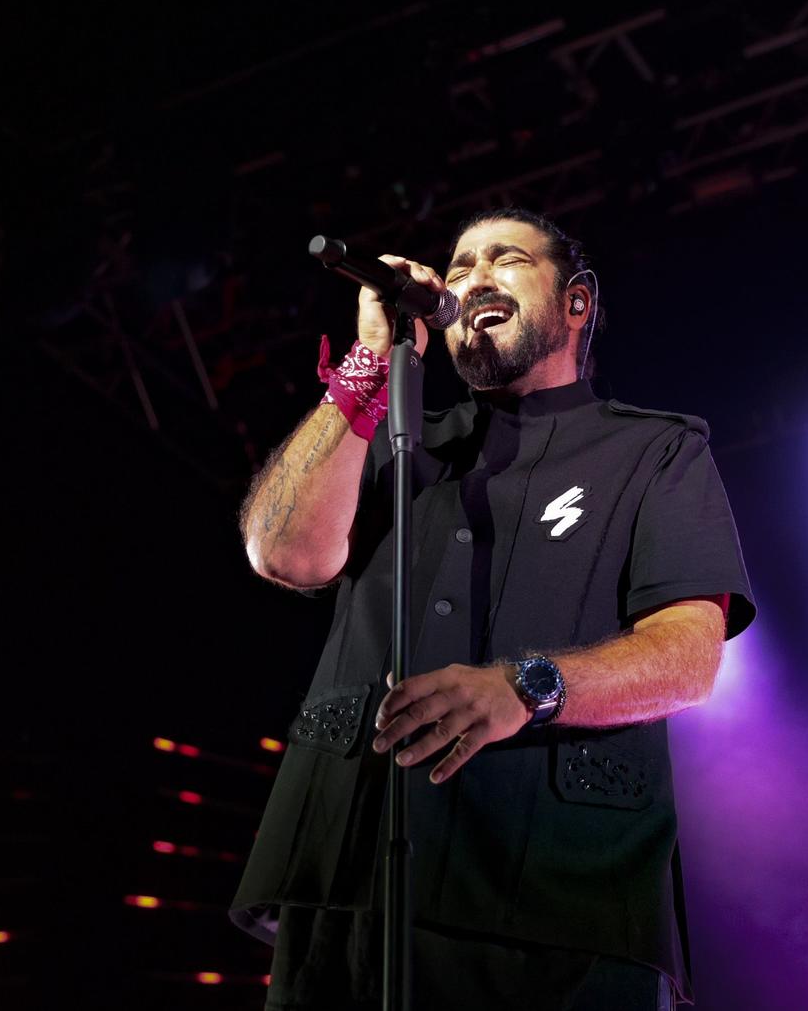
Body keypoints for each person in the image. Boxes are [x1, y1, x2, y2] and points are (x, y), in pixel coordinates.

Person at [231, 208, 755, 1010]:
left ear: (576, 303)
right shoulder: (399, 444)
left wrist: (524, 685)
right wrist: (369, 363)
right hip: (350, 881)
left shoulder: (653, 452)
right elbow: (283, 551)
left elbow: (689, 655)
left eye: (504, 260)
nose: (472, 277)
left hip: (557, 901)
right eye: (461, 264)